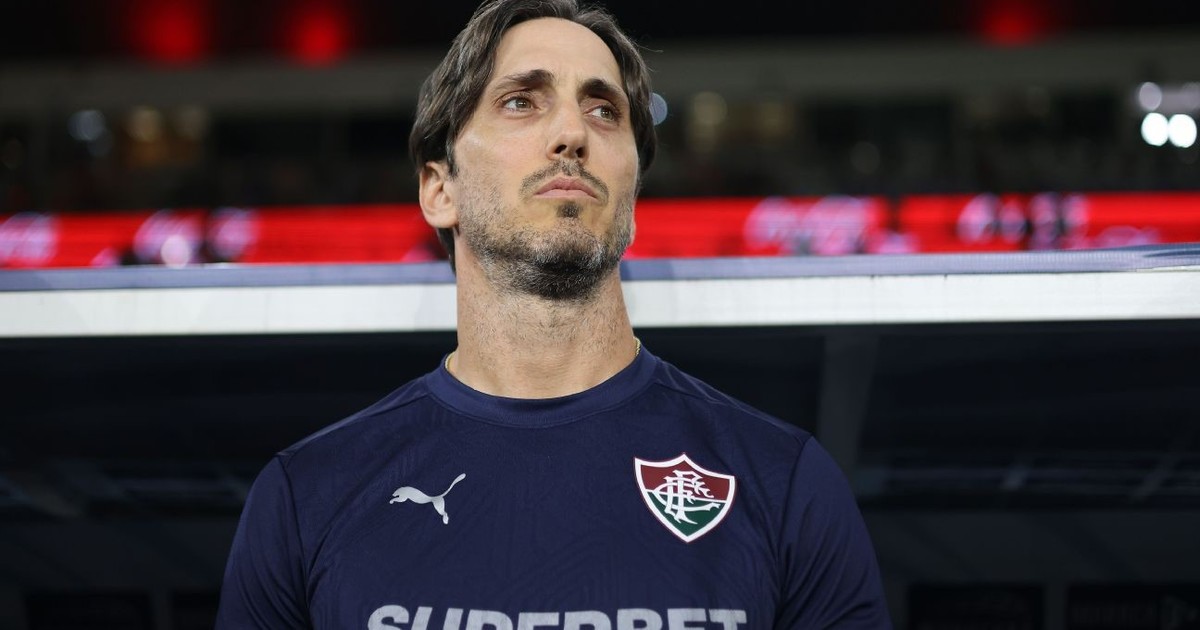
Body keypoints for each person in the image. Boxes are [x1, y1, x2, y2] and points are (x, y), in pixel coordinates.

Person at [216, 1, 891, 628]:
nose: (572, 133)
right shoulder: (307, 497)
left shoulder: (783, 483)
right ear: (439, 189)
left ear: (633, 189)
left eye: (604, 111)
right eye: (520, 102)